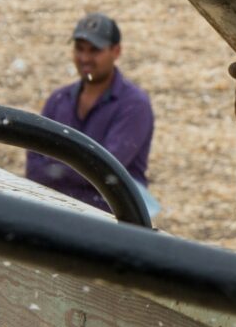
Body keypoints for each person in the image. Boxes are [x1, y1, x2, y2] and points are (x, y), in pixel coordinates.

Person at [23, 12, 154, 214]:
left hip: (112, 220)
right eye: (79, 49)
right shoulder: (59, 99)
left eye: (94, 50)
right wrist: (71, 170)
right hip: (55, 213)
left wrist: (55, 169)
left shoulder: (135, 105)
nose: (85, 58)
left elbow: (106, 171)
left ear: (116, 51)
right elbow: (33, 167)